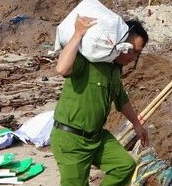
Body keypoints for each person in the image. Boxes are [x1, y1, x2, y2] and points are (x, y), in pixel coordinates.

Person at [50, 16, 149, 186]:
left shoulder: (114, 69)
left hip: (97, 138)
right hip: (71, 139)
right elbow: (61, 68)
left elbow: (121, 98)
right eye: (133, 50)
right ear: (121, 41)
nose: (134, 57)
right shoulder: (89, 60)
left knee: (124, 166)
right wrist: (78, 34)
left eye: (138, 53)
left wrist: (137, 124)